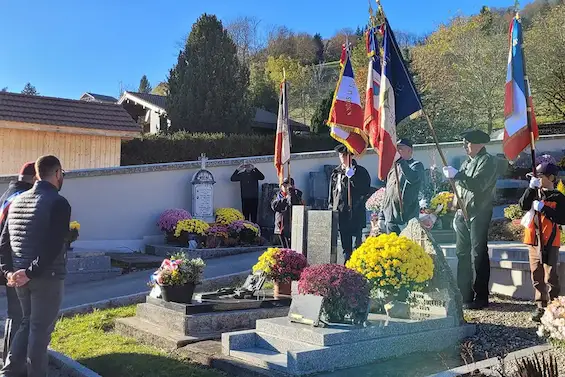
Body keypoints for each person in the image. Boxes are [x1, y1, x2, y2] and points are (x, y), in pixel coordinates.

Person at [0, 155, 71, 377]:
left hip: (20, 277)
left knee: (26, 324)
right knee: (40, 334)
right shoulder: (59, 203)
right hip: (45, 277)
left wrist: (10, 272)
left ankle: (8, 373)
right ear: (57, 173)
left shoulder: (16, 201)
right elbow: (53, 245)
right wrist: (30, 272)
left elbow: (3, 243)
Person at [443, 130, 497, 310]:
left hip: (479, 212)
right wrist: (453, 206)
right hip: (462, 213)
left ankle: (481, 296)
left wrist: (457, 175)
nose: (465, 147)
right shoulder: (467, 163)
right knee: (462, 254)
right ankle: (464, 294)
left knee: (478, 254)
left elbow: (478, 185)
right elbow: (460, 189)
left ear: (478, 144)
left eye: (468, 143)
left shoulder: (488, 161)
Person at [519, 162, 565, 322]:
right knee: (536, 275)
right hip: (533, 240)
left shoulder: (559, 197)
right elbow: (522, 205)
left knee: (550, 276)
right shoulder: (534, 193)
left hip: (550, 241)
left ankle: (554, 307)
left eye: (540, 176)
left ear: (551, 177)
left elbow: (562, 218)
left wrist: (544, 209)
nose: (537, 179)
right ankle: (540, 306)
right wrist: (531, 189)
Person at [0, 162, 37, 363]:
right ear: (34, 179)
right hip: (14, 266)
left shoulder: (7, 195)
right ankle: (13, 363)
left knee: (13, 315)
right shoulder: (21, 199)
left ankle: (9, 357)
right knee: (20, 315)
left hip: (5, 264)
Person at [329, 144, 371, 262]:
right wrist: (331, 207)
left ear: (351, 156)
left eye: (345, 154)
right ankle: (346, 267)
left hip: (355, 213)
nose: (342, 157)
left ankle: (356, 267)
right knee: (345, 246)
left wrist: (351, 176)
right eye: (341, 155)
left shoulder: (361, 172)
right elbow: (333, 193)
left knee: (356, 245)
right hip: (341, 213)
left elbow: (364, 190)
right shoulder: (336, 172)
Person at [382, 138, 425, 234]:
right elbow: (387, 193)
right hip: (391, 216)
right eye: (396, 149)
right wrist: (382, 215)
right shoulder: (393, 169)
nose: (397, 152)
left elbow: (412, 178)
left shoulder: (416, 165)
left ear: (410, 151)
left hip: (407, 216)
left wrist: (401, 161)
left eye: (400, 149)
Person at [271, 178, 304, 248]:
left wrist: (291, 194)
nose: (285, 188)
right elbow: (275, 206)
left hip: (293, 224)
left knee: (293, 247)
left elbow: (295, 204)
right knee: (284, 247)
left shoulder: (297, 193)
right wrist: (286, 199)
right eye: (284, 186)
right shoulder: (277, 195)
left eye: (287, 186)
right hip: (281, 224)